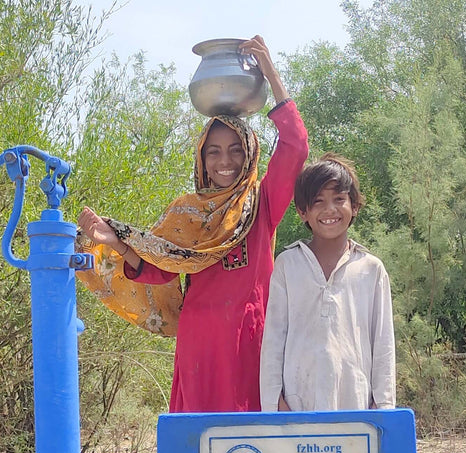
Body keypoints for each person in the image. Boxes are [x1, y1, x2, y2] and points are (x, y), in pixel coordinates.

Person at [76, 35, 309, 413]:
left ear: (249, 153)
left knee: (254, 448)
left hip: (254, 340)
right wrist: (115, 242)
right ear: (201, 158)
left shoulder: (263, 203)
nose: (224, 161)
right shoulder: (187, 213)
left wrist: (270, 73)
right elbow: (160, 269)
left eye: (236, 149)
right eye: (213, 151)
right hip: (201, 340)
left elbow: (296, 144)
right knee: (202, 448)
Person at [259, 154, 395, 412]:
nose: (329, 210)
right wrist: (275, 403)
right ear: (302, 212)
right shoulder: (288, 265)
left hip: (356, 407)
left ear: (354, 206)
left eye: (339, 199)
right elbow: (274, 340)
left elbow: (383, 344)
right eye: (318, 201)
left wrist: (383, 409)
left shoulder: (371, 269)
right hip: (297, 407)